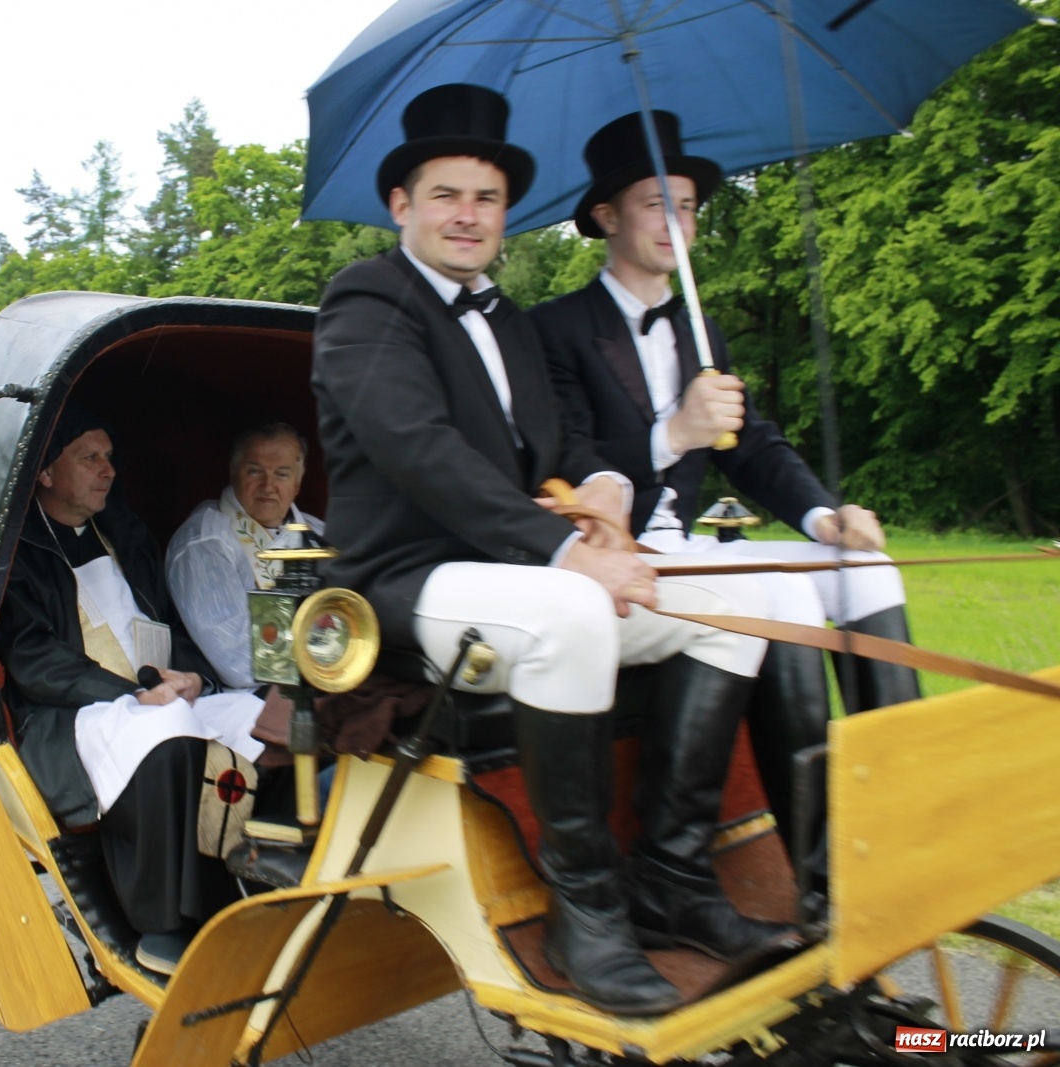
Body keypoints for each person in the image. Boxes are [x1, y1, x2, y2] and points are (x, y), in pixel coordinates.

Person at [312, 83, 800, 1016]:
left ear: (504, 213)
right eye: (447, 194)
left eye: (487, 197)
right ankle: (587, 913)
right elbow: (418, 447)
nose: (468, 214)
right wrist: (564, 552)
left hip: (514, 575)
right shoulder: (365, 298)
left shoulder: (507, 317)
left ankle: (672, 875)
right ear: (402, 204)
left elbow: (565, 445)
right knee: (573, 607)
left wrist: (607, 493)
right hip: (408, 581)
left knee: (739, 602)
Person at [530, 112, 921, 855]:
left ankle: (899, 824)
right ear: (607, 217)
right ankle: (821, 866)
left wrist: (824, 516)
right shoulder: (553, 328)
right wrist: (673, 434)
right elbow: (564, 454)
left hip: (693, 548)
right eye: (657, 205)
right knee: (782, 594)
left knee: (866, 568)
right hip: (619, 553)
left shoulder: (699, 331)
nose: (677, 224)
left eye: (686, 207)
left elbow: (752, 444)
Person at [0, 405, 266, 976]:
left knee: (251, 714)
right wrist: (132, 695)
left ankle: (256, 874)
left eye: (110, 457)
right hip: (71, 710)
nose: (108, 470)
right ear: (46, 472)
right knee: (168, 729)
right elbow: (32, 658)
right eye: (89, 457)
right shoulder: (18, 551)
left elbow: (165, 623)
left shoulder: (122, 531)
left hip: (149, 694)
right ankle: (163, 924)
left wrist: (192, 676)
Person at [166, 423, 325, 689]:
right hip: (254, 695)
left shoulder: (319, 532)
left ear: (298, 482)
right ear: (233, 472)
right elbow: (239, 658)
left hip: (327, 679)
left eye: (282, 474)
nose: (268, 486)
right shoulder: (205, 542)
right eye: (255, 471)